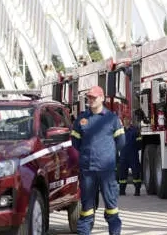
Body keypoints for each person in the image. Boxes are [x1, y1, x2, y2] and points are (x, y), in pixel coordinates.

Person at [71, 86, 125, 235]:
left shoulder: (112, 119)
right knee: (87, 209)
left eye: (94, 97)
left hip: (106, 170)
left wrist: (108, 156)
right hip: (87, 170)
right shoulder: (82, 119)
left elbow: (121, 141)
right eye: (89, 97)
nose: (91, 100)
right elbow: (75, 142)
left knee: (111, 207)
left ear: (102, 98)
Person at [118, 115, 143, 196]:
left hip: (133, 155)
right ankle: (122, 191)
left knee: (136, 173)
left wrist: (135, 150)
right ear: (123, 120)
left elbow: (139, 144)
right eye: (125, 119)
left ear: (130, 120)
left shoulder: (135, 131)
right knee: (122, 174)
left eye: (128, 119)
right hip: (123, 156)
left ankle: (137, 190)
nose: (126, 120)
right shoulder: (120, 131)